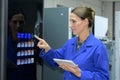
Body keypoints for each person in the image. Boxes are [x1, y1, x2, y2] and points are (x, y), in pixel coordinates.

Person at [34, 6, 110, 80]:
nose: (70, 25)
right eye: (70, 21)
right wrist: (47, 49)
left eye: (73, 21)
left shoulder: (98, 47)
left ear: (85, 22)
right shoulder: (70, 43)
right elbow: (55, 60)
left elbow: (103, 77)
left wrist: (80, 73)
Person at [7, 9, 25, 80]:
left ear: (24, 23)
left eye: (21, 22)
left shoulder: (32, 43)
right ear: (9, 23)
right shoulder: (3, 43)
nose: (18, 25)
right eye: (15, 22)